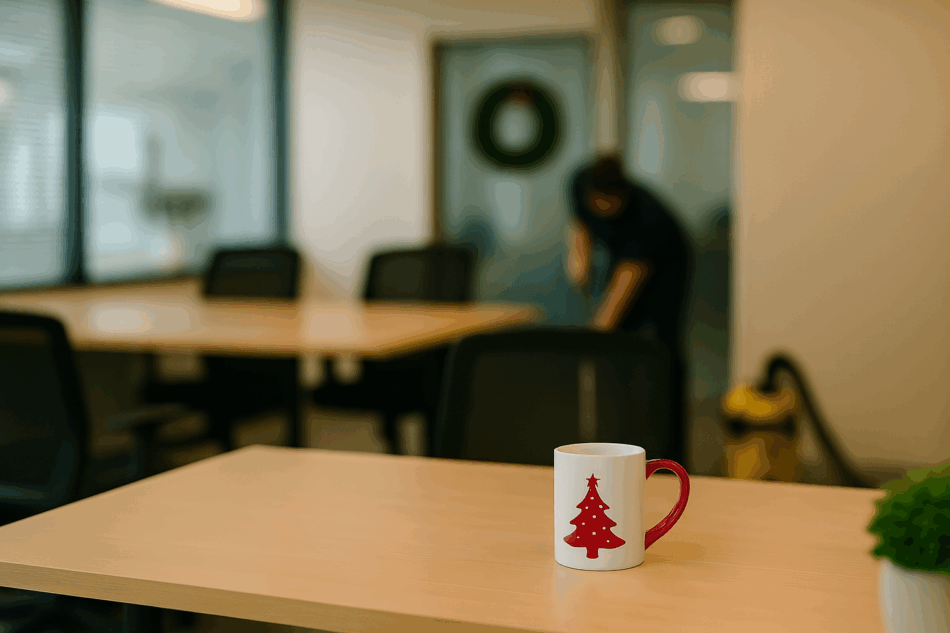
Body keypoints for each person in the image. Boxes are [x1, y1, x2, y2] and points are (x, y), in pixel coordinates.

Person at [566, 154, 692, 461]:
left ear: (624, 196)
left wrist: (591, 339)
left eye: (610, 206)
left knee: (656, 355)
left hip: (664, 276)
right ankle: (614, 443)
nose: (603, 212)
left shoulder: (650, 221)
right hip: (621, 262)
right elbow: (580, 221)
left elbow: (621, 293)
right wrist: (579, 258)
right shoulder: (580, 181)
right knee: (616, 361)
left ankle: (665, 458)